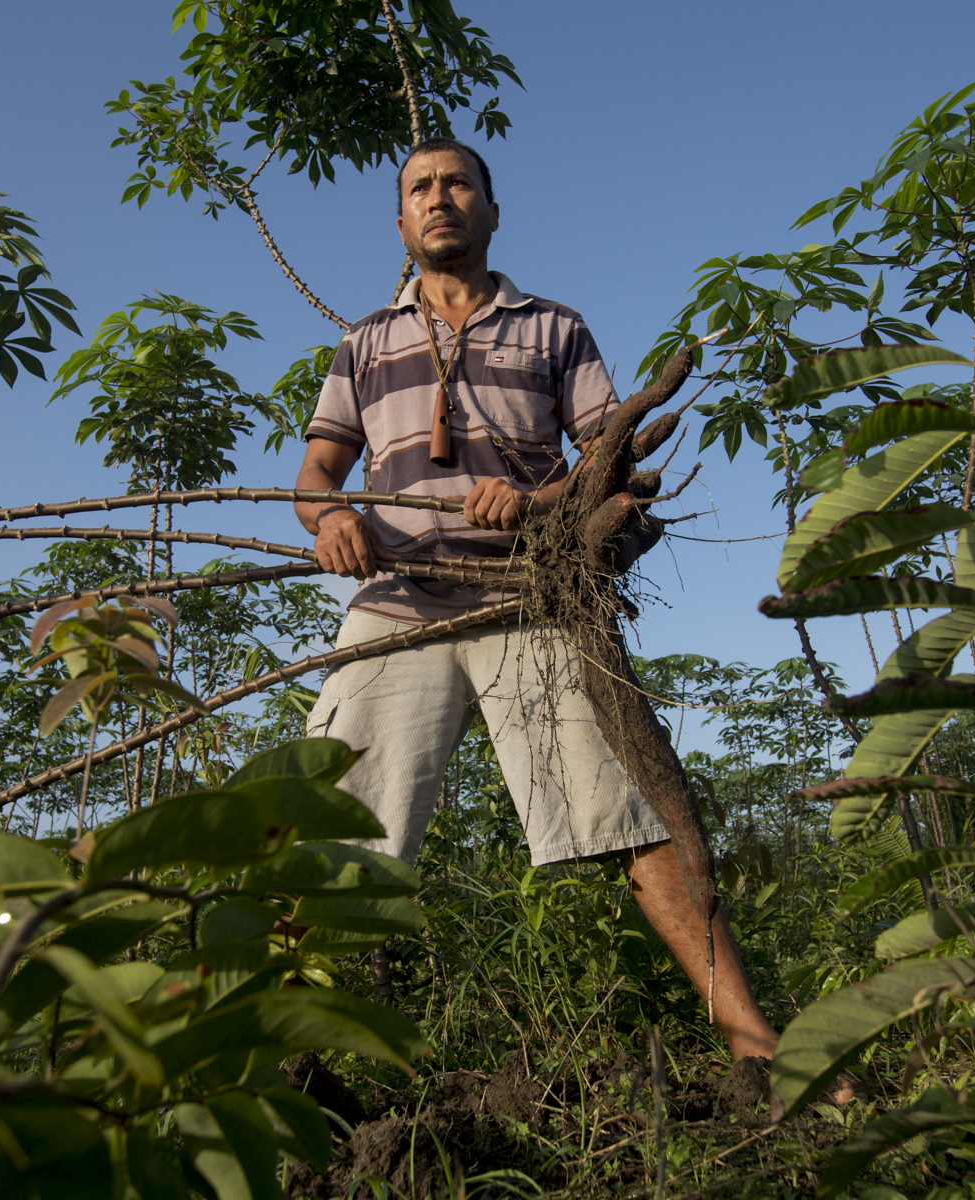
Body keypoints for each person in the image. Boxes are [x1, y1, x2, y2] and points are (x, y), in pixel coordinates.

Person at [292, 137, 779, 1064]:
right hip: (397, 603)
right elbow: (315, 474)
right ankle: (282, 1063)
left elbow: (612, 455)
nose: (440, 199)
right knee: (328, 828)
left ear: (491, 210)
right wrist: (332, 520)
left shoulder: (555, 328)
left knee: (634, 819)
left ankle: (757, 1044)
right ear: (401, 223)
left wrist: (540, 499)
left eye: (459, 184)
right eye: (420, 189)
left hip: (533, 599)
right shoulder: (364, 342)